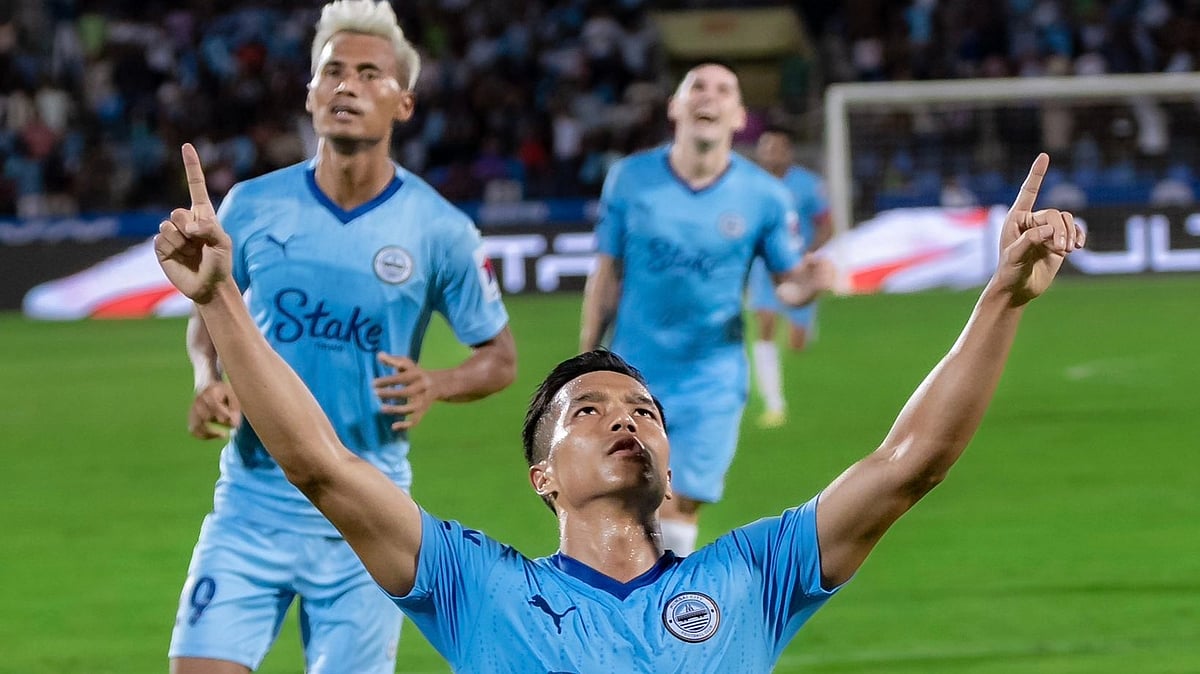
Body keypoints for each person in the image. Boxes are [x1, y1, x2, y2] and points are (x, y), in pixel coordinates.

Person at [156, 144, 1084, 672]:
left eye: (643, 410)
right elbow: (322, 463)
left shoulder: (752, 576)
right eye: (587, 410)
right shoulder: (479, 587)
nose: (626, 418)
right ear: (541, 477)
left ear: (668, 461)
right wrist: (220, 301)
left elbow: (909, 460)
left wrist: (1000, 297)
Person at [168, 2, 517, 673]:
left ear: (404, 104)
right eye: (332, 72)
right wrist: (207, 383)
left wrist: (437, 384)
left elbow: (500, 357)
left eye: (368, 73)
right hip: (251, 502)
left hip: (368, 511)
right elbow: (207, 320)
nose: (347, 85)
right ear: (309, 95)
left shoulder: (440, 229)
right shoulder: (250, 206)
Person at [578, 63, 834, 555]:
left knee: (679, 501)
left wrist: (812, 286)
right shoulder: (630, 180)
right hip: (633, 373)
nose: (708, 97)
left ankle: (657, 611)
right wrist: (583, 366)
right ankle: (663, 614)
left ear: (738, 117)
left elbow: (787, 288)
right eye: (696, 86)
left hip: (711, 380)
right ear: (676, 107)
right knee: (634, 499)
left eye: (723, 91)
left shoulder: (763, 196)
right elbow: (606, 274)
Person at [745, 125, 833, 429]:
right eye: (767, 147)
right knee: (765, 327)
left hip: (799, 270)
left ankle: (807, 324)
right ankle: (774, 404)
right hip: (763, 269)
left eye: (778, 148)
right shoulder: (749, 186)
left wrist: (810, 253)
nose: (772, 153)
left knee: (797, 344)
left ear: (788, 151)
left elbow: (825, 224)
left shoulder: (808, 184)